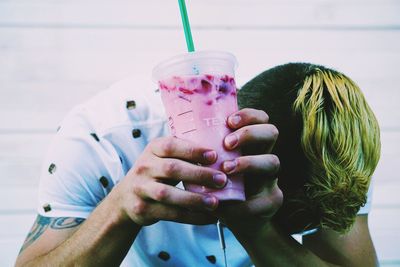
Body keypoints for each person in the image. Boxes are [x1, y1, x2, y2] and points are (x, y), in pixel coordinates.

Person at [15, 63, 380, 266]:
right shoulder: (106, 135)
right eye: (294, 219)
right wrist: (120, 211)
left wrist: (258, 230)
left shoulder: (339, 160)